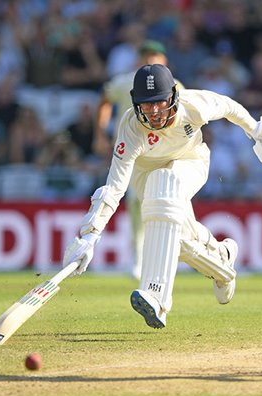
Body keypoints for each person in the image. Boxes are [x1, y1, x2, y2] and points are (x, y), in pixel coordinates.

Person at [63, 64, 262, 329]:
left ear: (173, 96)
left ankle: (156, 297)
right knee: (177, 237)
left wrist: (254, 129)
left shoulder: (194, 104)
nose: (153, 111)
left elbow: (229, 106)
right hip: (145, 174)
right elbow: (115, 186)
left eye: (159, 102)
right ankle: (223, 262)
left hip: (191, 160)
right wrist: (91, 234)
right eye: (146, 104)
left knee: (165, 184)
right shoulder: (131, 127)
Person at [94, 40, 175, 280]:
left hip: (164, 154)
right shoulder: (123, 82)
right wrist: (100, 133)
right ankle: (139, 259)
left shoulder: (174, 85)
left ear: (165, 61)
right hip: (132, 153)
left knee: (164, 204)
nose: (151, 61)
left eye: (156, 57)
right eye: (147, 56)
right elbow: (104, 101)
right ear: (138, 60)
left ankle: (168, 256)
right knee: (135, 202)